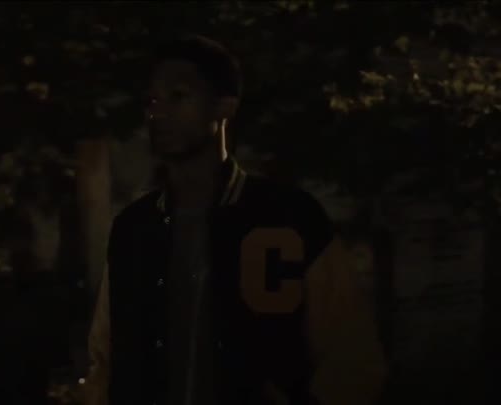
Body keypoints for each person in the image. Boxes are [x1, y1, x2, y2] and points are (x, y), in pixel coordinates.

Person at [83, 34, 387, 405]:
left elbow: (352, 356)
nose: (158, 113)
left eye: (178, 96)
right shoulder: (133, 228)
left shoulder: (289, 216)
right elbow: (104, 359)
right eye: (152, 100)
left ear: (225, 105)